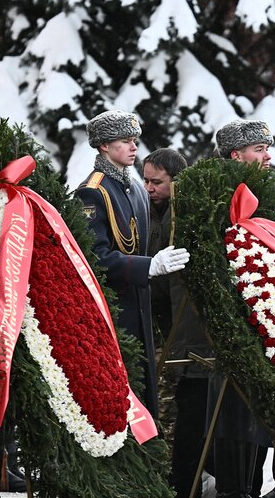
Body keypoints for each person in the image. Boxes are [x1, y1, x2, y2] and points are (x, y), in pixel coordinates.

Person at [75, 110, 190, 419]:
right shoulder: (92, 191)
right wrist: (149, 266)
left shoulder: (136, 187)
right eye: (125, 141)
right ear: (103, 146)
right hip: (114, 311)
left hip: (140, 308)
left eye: (134, 141)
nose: (133, 147)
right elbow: (94, 257)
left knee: (145, 399)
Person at [203, 119, 275, 498]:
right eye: (259, 150)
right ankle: (231, 493)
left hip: (259, 310)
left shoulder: (258, 190)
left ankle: (247, 491)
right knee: (232, 406)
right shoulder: (219, 191)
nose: (267, 157)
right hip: (232, 313)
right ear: (236, 155)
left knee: (253, 406)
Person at [144, 148, 215, 498]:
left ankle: (182, 491)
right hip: (163, 324)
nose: (149, 188)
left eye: (157, 182)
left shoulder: (179, 212)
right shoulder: (153, 209)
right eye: (147, 181)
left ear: (175, 180)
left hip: (177, 327)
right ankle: (177, 490)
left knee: (179, 411)